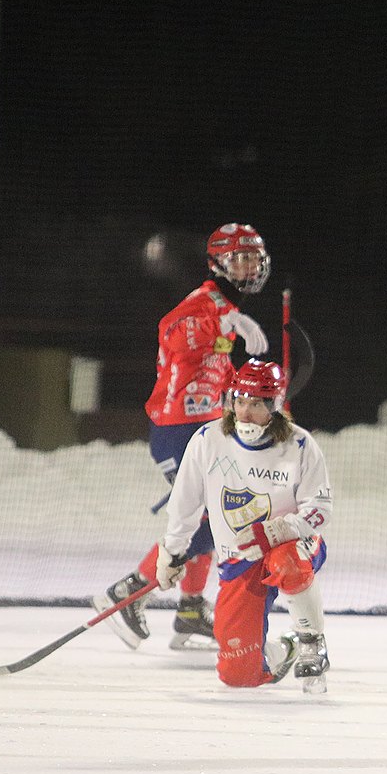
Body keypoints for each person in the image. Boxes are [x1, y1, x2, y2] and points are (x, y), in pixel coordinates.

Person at [94, 223, 273, 652]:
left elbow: (216, 374)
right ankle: (129, 592)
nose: (248, 266)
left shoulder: (226, 311)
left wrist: (256, 392)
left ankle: (190, 610)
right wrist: (224, 319)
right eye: (238, 258)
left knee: (217, 516)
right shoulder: (207, 303)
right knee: (211, 520)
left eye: (253, 257)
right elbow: (173, 332)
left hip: (204, 429)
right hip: (177, 431)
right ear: (218, 264)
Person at [153, 359, 334, 691]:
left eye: (256, 403)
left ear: (275, 405)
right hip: (240, 558)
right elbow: (185, 505)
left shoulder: (301, 445)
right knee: (237, 675)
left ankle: (312, 645)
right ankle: (287, 647)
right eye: (239, 401)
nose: (245, 411)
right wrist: (173, 552)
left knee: (287, 562)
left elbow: (320, 509)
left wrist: (281, 530)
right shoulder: (207, 440)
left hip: (291, 546)